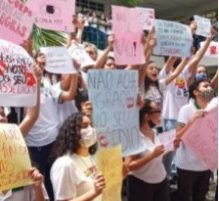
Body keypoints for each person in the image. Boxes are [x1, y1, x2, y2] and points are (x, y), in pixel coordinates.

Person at [174, 78, 215, 201]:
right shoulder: (186, 110)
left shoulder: (214, 110)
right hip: (187, 166)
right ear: (196, 92)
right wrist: (192, 120)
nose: (210, 89)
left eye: (210, 87)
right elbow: (177, 136)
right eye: (206, 86)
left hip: (205, 166)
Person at [50, 113, 105, 201]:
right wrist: (93, 192)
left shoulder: (93, 158)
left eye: (91, 125)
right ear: (72, 132)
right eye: (84, 126)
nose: (90, 129)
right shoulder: (65, 164)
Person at [125, 100, 169, 201]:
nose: (160, 113)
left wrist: (170, 148)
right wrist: (151, 156)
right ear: (146, 116)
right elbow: (128, 166)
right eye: (157, 111)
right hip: (141, 185)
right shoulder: (134, 136)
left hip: (161, 181)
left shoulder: (153, 131)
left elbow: (157, 155)